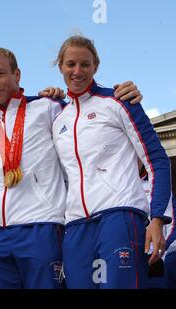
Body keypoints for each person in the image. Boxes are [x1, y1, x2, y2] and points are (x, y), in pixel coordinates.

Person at [0, 47, 144, 289]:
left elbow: (87, 118)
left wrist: (125, 96)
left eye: (0, 74)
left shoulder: (48, 107)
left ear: (17, 75)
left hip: (40, 226)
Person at [52, 35, 172, 288]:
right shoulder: (58, 118)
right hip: (75, 225)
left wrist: (158, 218)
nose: (77, 71)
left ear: (96, 66)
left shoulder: (119, 101)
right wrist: (46, 97)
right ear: (60, 66)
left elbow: (157, 160)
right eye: (70, 64)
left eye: (85, 64)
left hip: (119, 216)